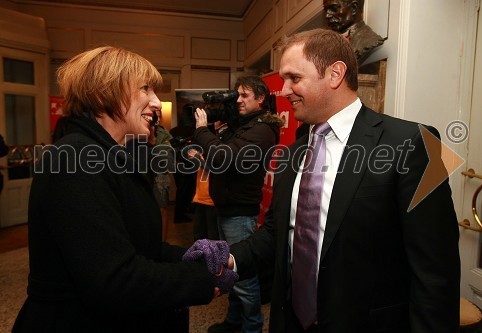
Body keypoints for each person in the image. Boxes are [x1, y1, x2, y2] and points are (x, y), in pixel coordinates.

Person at [228, 29, 461, 332]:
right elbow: (278, 233)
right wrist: (230, 259)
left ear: (335, 73)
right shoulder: (293, 153)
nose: (283, 91)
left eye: (294, 78)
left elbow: (435, 273)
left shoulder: (413, 143)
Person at [12, 46, 234, 332]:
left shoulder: (112, 156)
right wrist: (203, 279)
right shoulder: (74, 158)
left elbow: (138, 246)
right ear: (102, 95)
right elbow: (114, 280)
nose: (157, 103)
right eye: (145, 89)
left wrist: (189, 256)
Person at [193, 75, 285, 333]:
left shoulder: (262, 130)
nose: (239, 100)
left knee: (244, 276)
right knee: (230, 271)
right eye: (237, 95)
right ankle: (234, 322)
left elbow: (224, 157)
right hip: (226, 207)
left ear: (261, 99)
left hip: (239, 213)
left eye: (245, 96)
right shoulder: (242, 125)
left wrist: (202, 131)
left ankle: (252, 327)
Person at [323, 0, 385, 66]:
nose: (327, 15)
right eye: (326, 10)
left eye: (334, 8)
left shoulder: (370, 41)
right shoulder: (329, 45)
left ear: (353, 8)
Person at [149, 110, 175, 241]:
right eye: (155, 115)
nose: (157, 118)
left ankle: (162, 242)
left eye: (159, 115)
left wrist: (153, 139)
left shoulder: (163, 133)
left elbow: (167, 160)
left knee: (162, 210)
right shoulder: (136, 130)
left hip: (160, 177)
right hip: (142, 175)